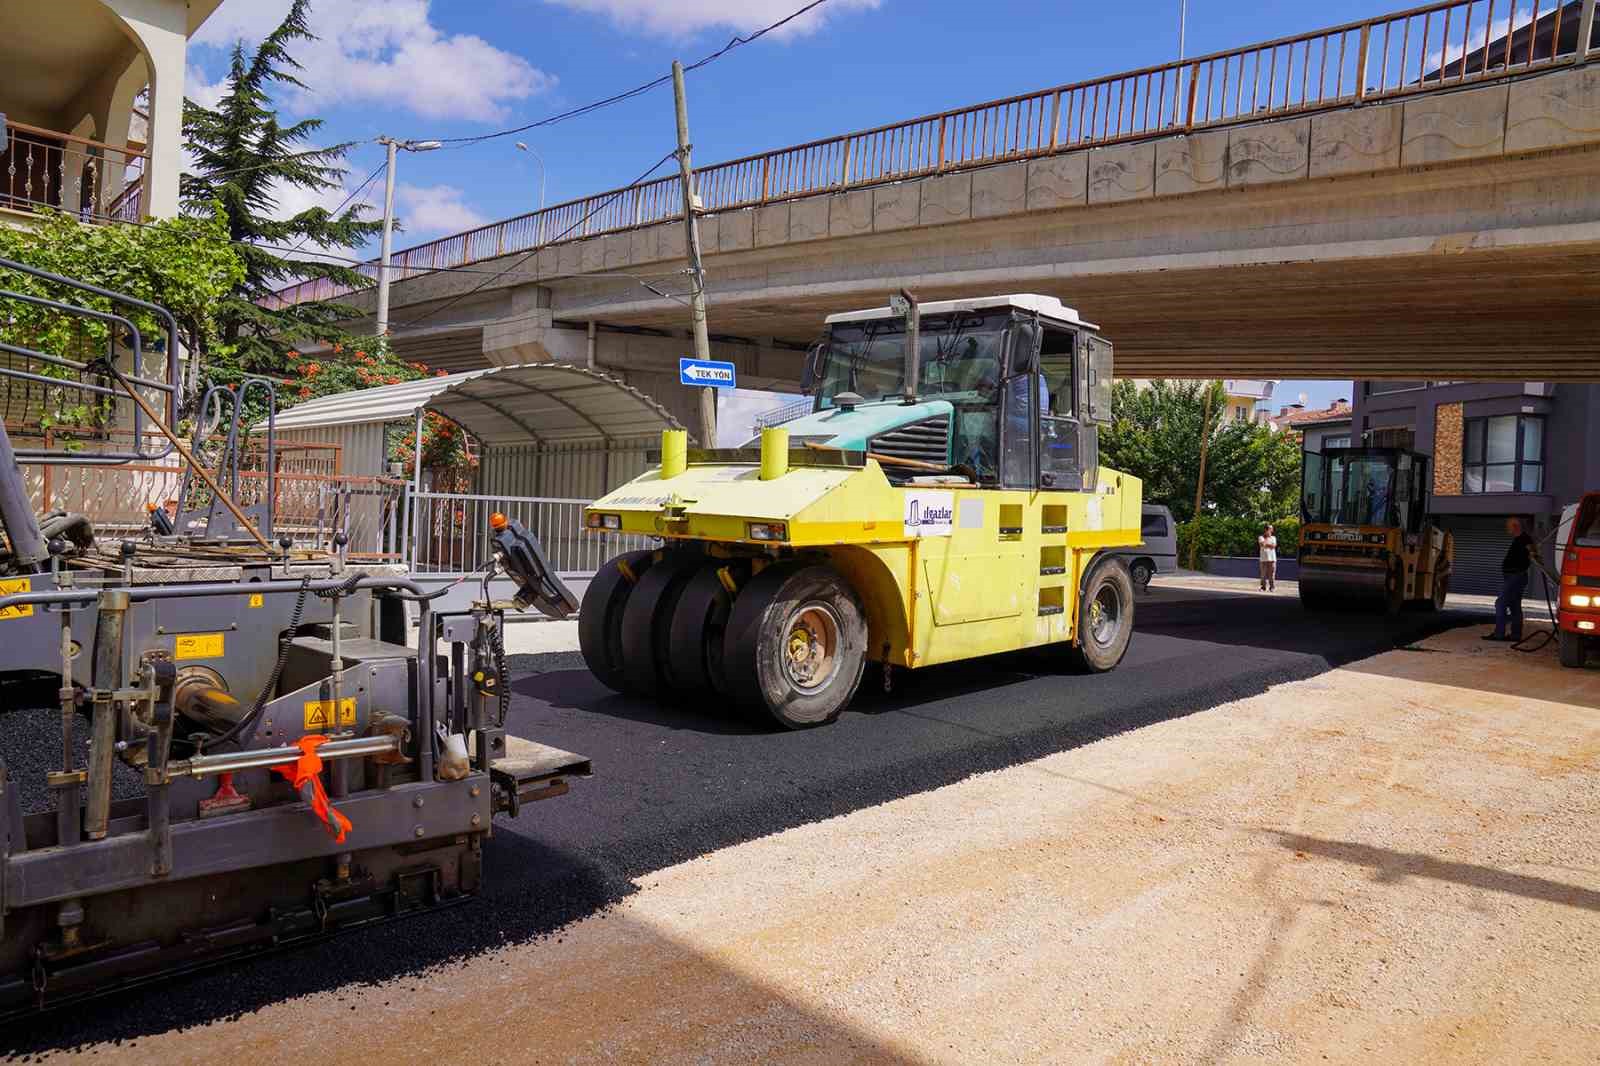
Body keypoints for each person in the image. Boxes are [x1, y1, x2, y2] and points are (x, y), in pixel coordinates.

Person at [1485, 516, 1536, 643]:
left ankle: (1499, 634)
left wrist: (1533, 553)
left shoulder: (1524, 538)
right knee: (1514, 605)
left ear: (1515, 526)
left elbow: (1533, 550)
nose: (1507, 529)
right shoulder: (1519, 539)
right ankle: (1515, 635)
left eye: (1508, 526)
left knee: (1500, 603)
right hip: (1515, 576)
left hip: (1516, 576)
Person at [1258, 524, 1278, 591]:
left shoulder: (1273, 538)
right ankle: (1263, 587)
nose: (1272, 530)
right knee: (1263, 575)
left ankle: (1272, 587)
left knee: (1272, 575)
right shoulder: (1261, 537)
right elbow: (1262, 544)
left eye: (1272, 529)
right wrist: (1267, 540)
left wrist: (1266, 544)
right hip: (1263, 559)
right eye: (1270, 529)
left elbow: (1274, 546)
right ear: (1266, 530)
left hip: (1272, 559)